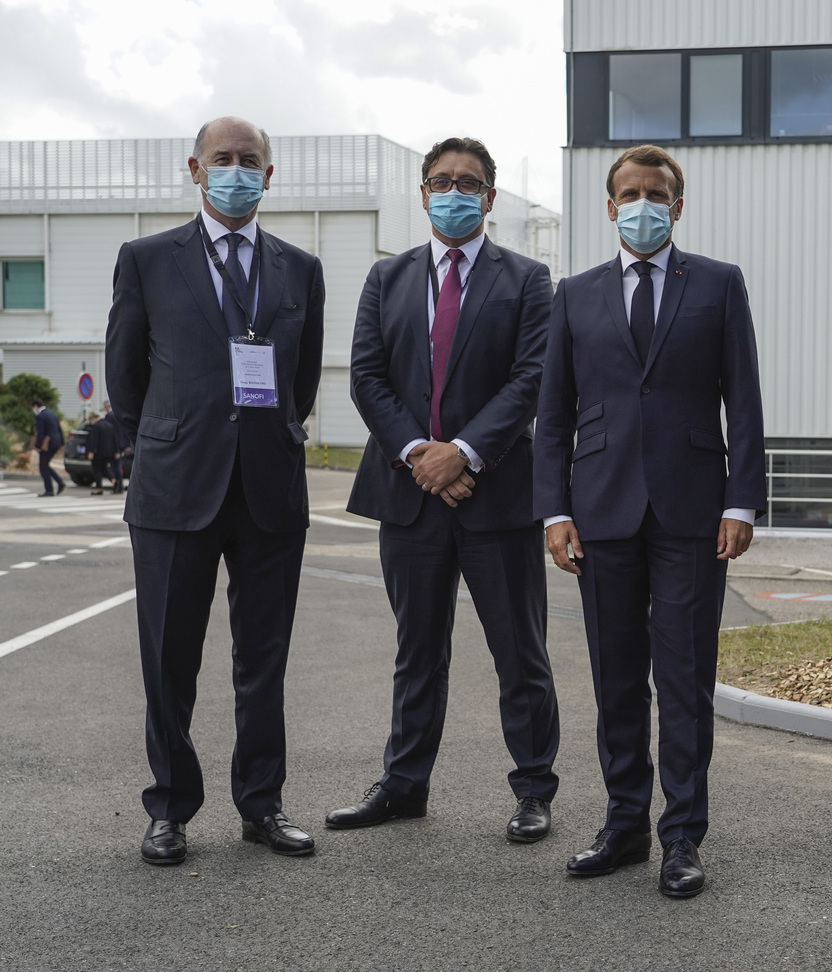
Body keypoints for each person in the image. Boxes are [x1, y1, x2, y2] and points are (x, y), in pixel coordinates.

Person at [535, 144, 766, 898]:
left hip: (695, 511)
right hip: (599, 509)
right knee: (616, 677)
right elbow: (553, 415)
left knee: (685, 677)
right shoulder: (573, 293)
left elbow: (746, 400)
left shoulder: (720, 285)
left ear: (677, 203)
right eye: (629, 193)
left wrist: (741, 500)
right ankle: (625, 823)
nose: (643, 203)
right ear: (609, 207)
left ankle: (682, 836)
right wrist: (554, 511)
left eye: (656, 193)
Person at [106, 116, 325, 866]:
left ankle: (261, 805)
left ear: (271, 174)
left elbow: (299, 381)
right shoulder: (146, 260)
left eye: (250, 160)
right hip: (175, 490)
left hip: (269, 488)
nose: (237, 170)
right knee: (170, 659)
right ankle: (169, 808)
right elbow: (126, 376)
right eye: (222, 159)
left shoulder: (300, 269)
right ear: (195, 169)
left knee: (263, 660)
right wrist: (160, 445)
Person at [329, 137, 560, 843]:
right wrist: (416, 456)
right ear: (423, 192)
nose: (453, 191)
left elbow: (532, 377)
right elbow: (366, 376)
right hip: (408, 494)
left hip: (496, 494)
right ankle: (404, 786)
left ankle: (533, 790)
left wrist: (461, 454)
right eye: (440, 181)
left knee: (519, 651)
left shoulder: (527, 278)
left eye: (468, 182)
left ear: (489, 197)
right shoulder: (385, 279)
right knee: (416, 650)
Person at [29, 400, 65, 496]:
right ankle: (59, 482)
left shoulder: (40, 416)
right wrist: (61, 443)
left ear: (35, 406)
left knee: (43, 467)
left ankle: (49, 490)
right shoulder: (52, 414)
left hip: (47, 444)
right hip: (56, 442)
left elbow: (41, 432)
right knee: (45, 465)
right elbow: (59, 429)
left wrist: (37, 446)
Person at [99, 400, 127, 493]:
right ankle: (120, 487)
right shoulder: (118, 413)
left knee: (115, 466)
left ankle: (118, 487)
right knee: (117, 466)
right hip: (121, 444)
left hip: (114, 445)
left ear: (106, 407)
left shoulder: (109, 416)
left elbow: (109, 431)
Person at [85, 410, 114, 495]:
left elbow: (94, 440)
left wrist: (91, 452)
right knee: (105, 468)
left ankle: (98, 488)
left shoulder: (96, 426)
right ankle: (114, 480)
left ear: (92, 418)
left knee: (97, 470)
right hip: (108, 452)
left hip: (98, 452)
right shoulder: (109, 425)